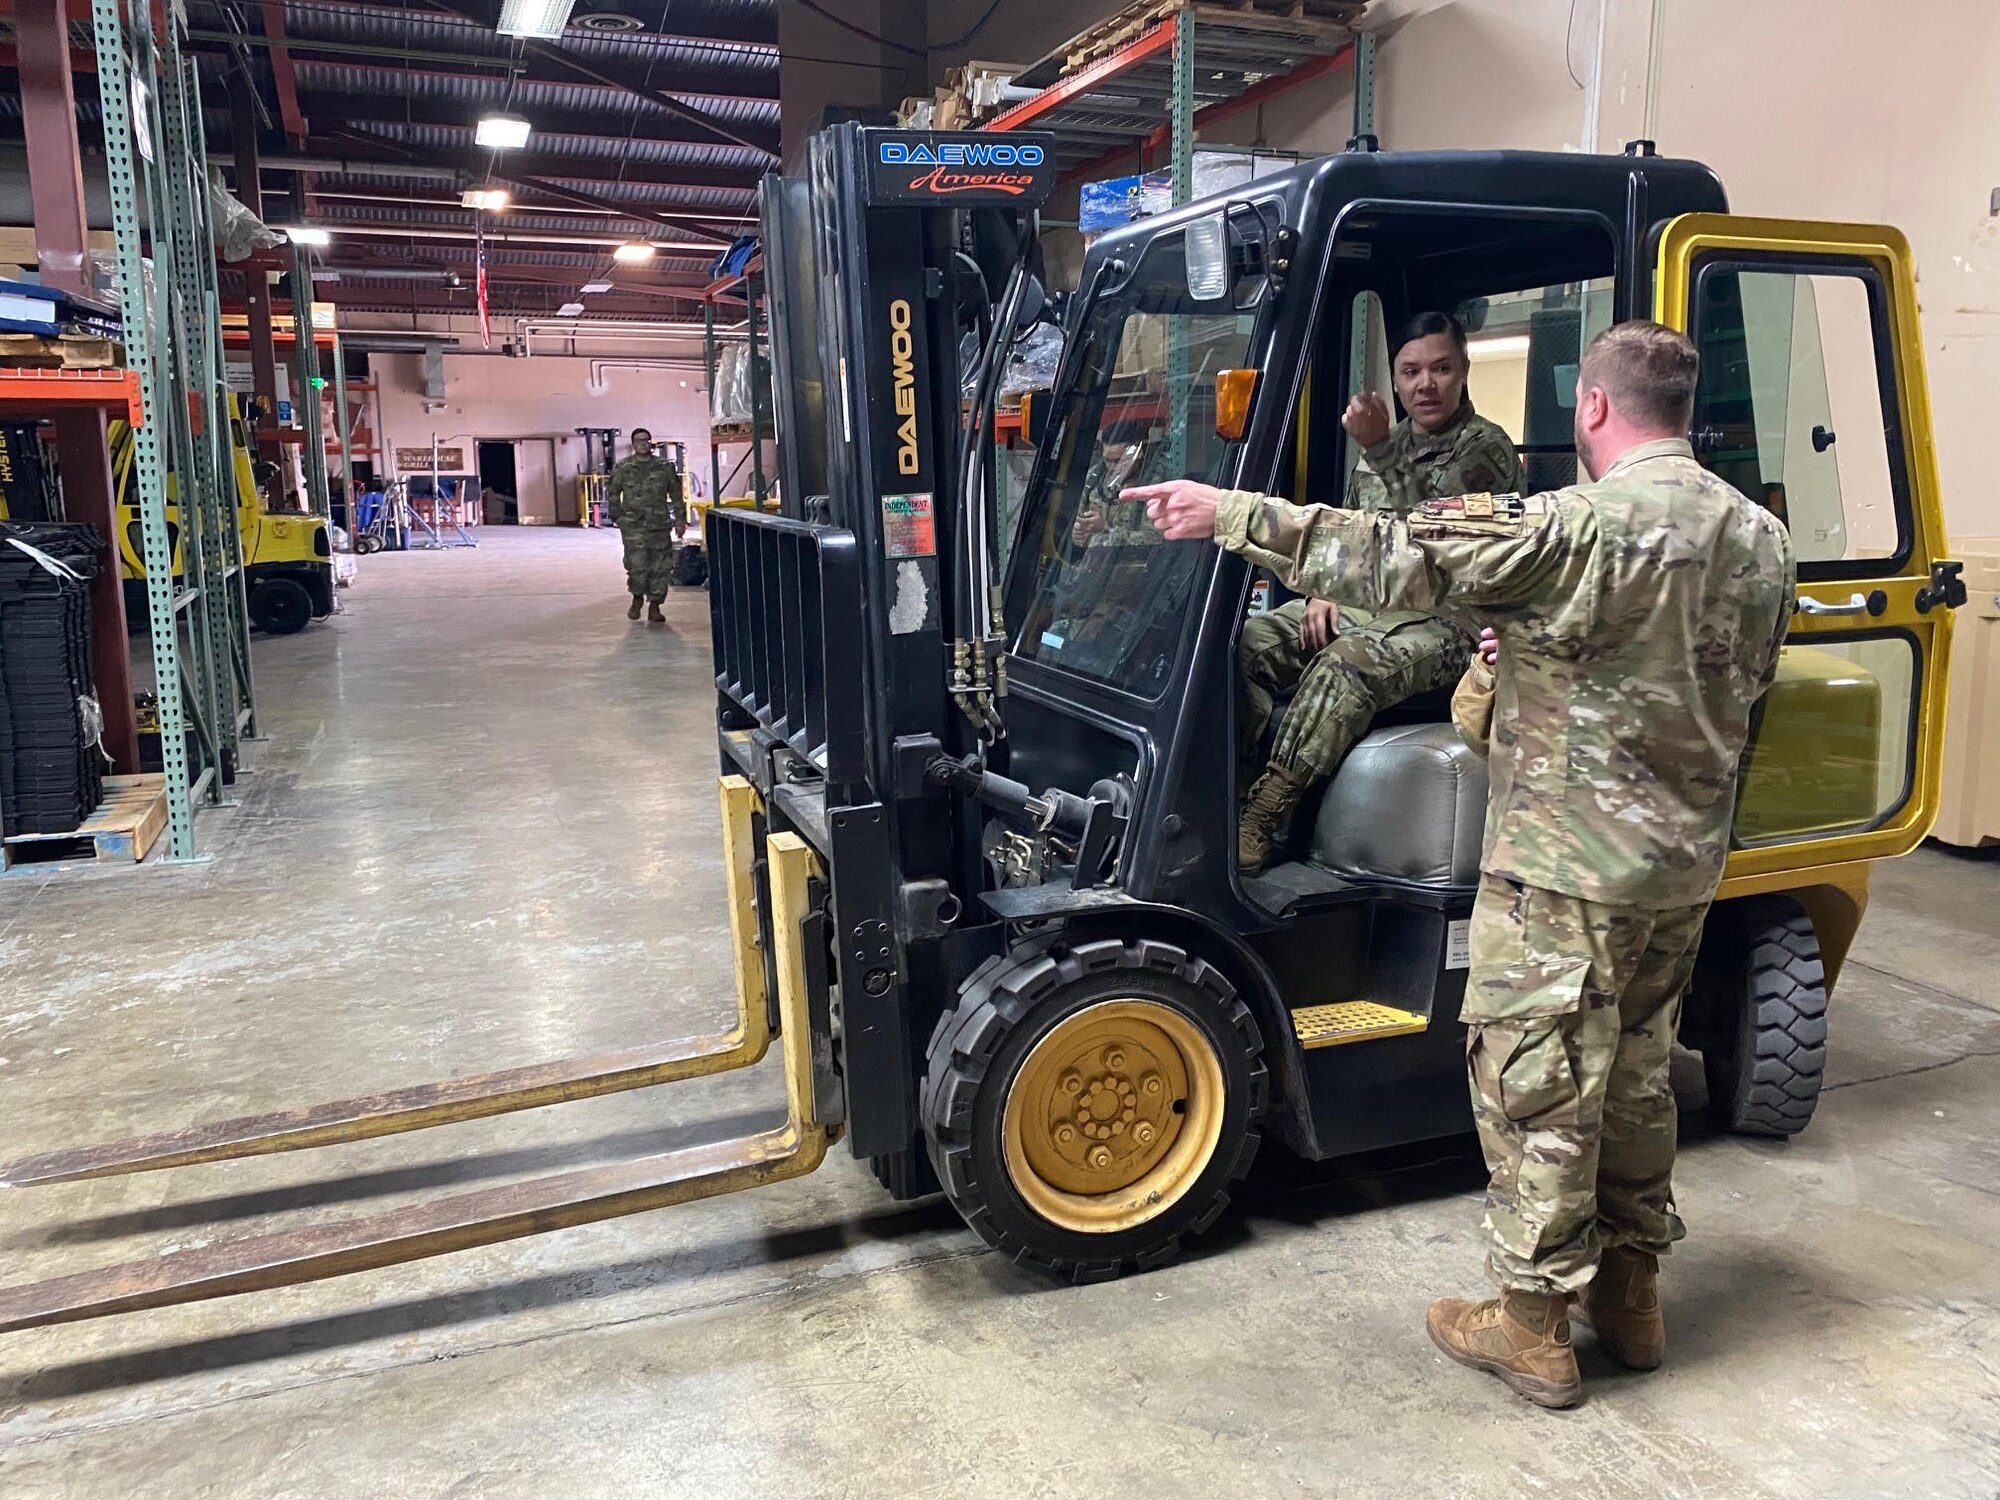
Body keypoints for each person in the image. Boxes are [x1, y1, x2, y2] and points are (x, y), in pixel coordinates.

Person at [1124, 321, 1795, 1410]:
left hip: (1563, 868)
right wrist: (1527, 655)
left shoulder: (1569, 527)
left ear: (1589, 408)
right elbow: (1734, 680)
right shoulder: (1760, 538)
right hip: (1679, 869)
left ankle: (1531, 1327)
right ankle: (1629, 1298)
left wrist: (1228, 515)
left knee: (1538, 1090)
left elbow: (1397, 555)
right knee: (1632, 1081)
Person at [1236, 311, 1522, 871]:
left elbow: (1430, 538)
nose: (1427, 384)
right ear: (1395, 379)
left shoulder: (1484, 449)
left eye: (1441, 368)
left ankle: (1266, 815)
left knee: (1346, 664)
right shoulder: (1383, 449)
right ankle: (1238, 782)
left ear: (1464, 370)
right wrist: (1323, 592)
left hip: (1454, 621)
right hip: (1370, 604)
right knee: (1245, 644)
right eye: (1411, 371)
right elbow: (1351, 533)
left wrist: (1380, 447)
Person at [606, 428, 685, 624]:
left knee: (661, 567)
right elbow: (613, 493)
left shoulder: (664, 467)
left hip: (659, 525)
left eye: (646, 440)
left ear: (651, 443)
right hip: (633, 526)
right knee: (637, 565)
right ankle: (637, 598)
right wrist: (618, 518)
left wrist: (680, 520)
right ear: (633, 444)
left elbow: (676, 495)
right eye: (639, 440)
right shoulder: (623, 468)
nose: (643, 443)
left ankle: (655, 606)